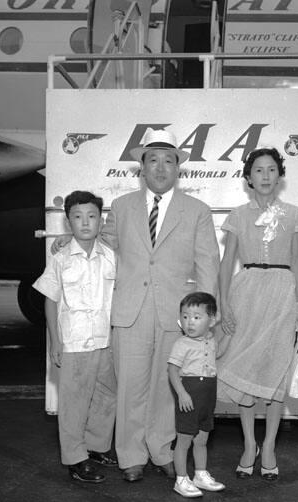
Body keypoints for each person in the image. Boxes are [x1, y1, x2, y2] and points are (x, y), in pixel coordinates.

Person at [78, 128, 220, 483]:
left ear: (177, 168)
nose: (160, 168)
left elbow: (208, 264)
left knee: (166, 387)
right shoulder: (122, 207)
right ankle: (130, 456)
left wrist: (205, 316)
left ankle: (162, 450)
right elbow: (103, 246)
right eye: (152, 160)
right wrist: (72, 242)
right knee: (130, 385)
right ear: (141, 166)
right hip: (130, 310)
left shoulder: (197, 211)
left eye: (168, 161)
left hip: (178, 314)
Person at [217, 147, 298, 481]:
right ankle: (248, 444)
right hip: (247, 291)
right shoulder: (238, 214)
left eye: (271, 170)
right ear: (248, 177)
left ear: (279, 175)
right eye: (258, 170)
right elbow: (227, 262)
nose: (265, 176)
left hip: (282, 292)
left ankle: (268, 446)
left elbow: (297, 261)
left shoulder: (294, 213)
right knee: (243, 366)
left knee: (274, 372)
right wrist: (224, 304)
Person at [34, 191, 117, 483]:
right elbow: (50, 300)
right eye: (78, 217)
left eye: (92, 216)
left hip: (105, 341)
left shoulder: (110, 256)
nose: (85, 222)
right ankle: (75, 458)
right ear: (69, 222)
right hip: (74, 342)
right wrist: (55, 342)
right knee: (74, 401)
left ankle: (95, 447)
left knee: (107, 396)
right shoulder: (61, 258)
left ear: (101, 220)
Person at [167, 292, 229, 498]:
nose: (189, 322)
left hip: (207, 394)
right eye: (185, 317)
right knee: (183, 439)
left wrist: (229, 335)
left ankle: (200, 475)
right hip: (190, 395)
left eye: (196, 317)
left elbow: (217, 354)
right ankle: (181, 479)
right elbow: (172, 371)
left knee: (202, 438)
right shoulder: (182, 344)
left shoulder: (210, 340)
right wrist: (182, 393)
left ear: (211, 321)